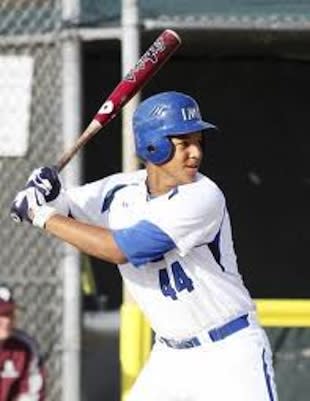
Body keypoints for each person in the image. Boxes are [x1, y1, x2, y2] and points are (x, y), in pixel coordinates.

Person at [10, 91, 278, 401]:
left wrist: (40, 214)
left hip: (229, 352)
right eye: (183, 143)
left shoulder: (203, 196)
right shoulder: (120, 190)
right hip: (170, 357)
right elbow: (69, 208)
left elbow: (121, 249)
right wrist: (50, 191)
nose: (195, 153)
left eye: (198, 141)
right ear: (153, 145)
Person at [0, 284, 45, 401]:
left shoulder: (25, 347)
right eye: (1, 315)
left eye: (9, 314)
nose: (7, 321)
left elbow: (32, 393)